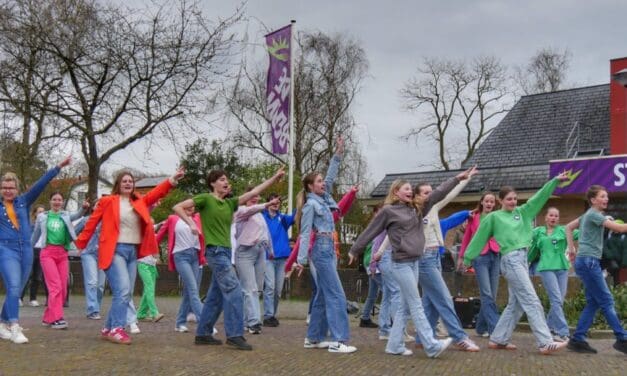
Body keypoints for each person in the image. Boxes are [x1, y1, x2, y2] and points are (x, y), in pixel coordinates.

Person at [349, 168, 473, 358]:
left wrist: (457, 178)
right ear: (396, 192)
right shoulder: (388, 211)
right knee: (416, 304)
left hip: (415, 262)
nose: (409, 191)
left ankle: (394, 345)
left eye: (410, 189)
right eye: (405, 189)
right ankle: (431, 345)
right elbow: (370, 231)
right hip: (400, 264)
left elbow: (439, 192)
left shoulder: (417, 208)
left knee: (406, 307)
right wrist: (354, 250)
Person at [173, 166, 285, 350]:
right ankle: (234, 334)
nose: (226, 182)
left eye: (227, 179)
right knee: (234, 289)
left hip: (225, 252)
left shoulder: (230, 203)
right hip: (215, 252)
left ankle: (203, 333)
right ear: (213, 183)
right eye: (222, 179)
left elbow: (255, 191)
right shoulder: (206, 199)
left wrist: (275, 177)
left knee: (215, 297)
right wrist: (192, 223)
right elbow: (177, 207)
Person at [463, 172, 570, 355]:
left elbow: (539, 197)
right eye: (509, 199)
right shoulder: (494, 217)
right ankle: (545, 342)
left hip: (523, 259)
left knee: (517, 303)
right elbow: (479, 238)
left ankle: (498, 338)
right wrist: (467, 257)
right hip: (511, 260)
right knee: (531, 299)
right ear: (501, 200)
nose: (513, 202)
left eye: (515, 198)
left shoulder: (523, 212)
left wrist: (554, 182)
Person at [75, 167, 184, 345]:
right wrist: (81, 244)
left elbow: (155, 193)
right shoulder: (108, 201)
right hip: (114, 250)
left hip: (133, 252)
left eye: (130, 181)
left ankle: (107, 327)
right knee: (124, 290)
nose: (128, 183)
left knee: (124, 292)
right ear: (118, 184)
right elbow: (92, 222)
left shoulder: (138, 201)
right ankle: (118, 328)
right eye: (124, 181)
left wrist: (172, 179)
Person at [292, 137, 358, 354]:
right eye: (319, 181)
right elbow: (303, 234)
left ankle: (313, 338)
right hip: (320, 249)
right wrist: (301, 261)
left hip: (329, 248)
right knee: (337, 294)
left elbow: (331, 174)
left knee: (321, 294)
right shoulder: (311, 205)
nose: (323, 183)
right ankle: (339, 340)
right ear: (311, 186)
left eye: (322, 181)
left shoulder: (324, 197)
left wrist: (338, 153)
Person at [0, 155, 71, 344]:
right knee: (14, 285)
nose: (8, 191)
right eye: (4, 187)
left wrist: (58, 167)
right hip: (6, 250)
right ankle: (14, 326)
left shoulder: (24, 201)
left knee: (17, 288)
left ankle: (2, 323)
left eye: (11, 187)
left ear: (16, 189)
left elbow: (41, 183)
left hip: (27, 251)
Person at [413, 172, 481, 352]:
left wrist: (467, 179)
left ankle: (421, 337)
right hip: (425, 259)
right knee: (443, 298)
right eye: (425, 193)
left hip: (436, 257)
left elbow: (449, 195)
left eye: (431, 191)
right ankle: (459, 337)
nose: (430, 194)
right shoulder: (415, 212)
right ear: (417, 196)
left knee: (430, 300)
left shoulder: (434, 208)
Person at [565, 185, 627, 354]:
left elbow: (568, 227)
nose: (606, 199)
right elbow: (621, 229)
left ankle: (577, 339)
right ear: (593, 200)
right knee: (607, 301)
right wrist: (571, 249)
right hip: (589, 262)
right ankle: (622, 339)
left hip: (586, 262)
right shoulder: (593, 215)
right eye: (602, 196)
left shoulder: (587, 215)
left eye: (607, 196)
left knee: (593, 302)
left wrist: (572, 249)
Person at [31, 192, 87, 329]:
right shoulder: (42, 217)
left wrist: (84, 208)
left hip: (62, 254)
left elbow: (78, 215)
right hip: (47, 253)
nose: (57, 202)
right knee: (55, 286)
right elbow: (35, 236)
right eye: (54, 199)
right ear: (50, 201)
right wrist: (27, 250)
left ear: (62, 202)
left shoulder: (65, 215)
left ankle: (48, 317)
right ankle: (57, 318)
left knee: (62, 287)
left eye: (59, 200)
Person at [233, 190, 280, 334]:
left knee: (257, 288)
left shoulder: (260, 216)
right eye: (251, 196)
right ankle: (254, 322)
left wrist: (271, 251)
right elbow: (253, 209)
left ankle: (245, 321)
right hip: (245, 252)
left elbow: (266, 233)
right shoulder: (241, 211)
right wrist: (267, 204)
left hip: (260, 252)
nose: (255, 198)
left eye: (256, 196)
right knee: (250, 288)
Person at [527, 207, 576, 342]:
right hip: (546, 268)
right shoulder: (538, 232)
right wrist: (524, 263)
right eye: (551, 215)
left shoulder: (564, 230)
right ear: (546, 217)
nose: (554, 218)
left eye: (556, 216)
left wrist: (598, 222)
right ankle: (562, 332)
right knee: (555, 299)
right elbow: (532, 250)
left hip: (562, 267)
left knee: (559, 300)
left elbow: (581, 232)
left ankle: (548, 328)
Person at [155, 204, 206, 333]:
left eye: (193, 206)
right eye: (187, 206)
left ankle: (180, 323)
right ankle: (205, 323)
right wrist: (147, 248)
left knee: (190, 291)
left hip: (195, 256)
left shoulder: (198, 218)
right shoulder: (173, 218)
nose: (191, 208)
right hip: (181, 256)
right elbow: (159, 235)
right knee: (193, 290)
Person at [458, 192, 501, 337]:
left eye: (492, 201)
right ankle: (495, 329)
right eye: (487, 201)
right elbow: (466, 239)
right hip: (479, 257)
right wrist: (462, 258)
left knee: (492, 294)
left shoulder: (497, 217)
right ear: (482, 202)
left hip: (495, 255)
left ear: (494, 204)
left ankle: (481, 328)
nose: (489, 204)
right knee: (487, 293)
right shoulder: (474, 218)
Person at [261, 194, 295, 327]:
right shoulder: (262, 218)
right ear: (268, 203)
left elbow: (295, 215)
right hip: (267, 258)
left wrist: (301, 200)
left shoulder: (283, 219)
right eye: (273, 200)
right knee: (270, 287)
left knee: (278, 290)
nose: (276, 203)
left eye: (278, 201)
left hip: (282, 259)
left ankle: (272, 315)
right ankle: (268, 315)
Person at [75, 214, 106, 320]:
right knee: (92, 281)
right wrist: (79, 245)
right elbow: (73, 232)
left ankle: (96, 307)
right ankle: (92, 310)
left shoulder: (109, 219)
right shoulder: (86, 220)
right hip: (88, 253)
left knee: (100, 285)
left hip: (103, 254)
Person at [21, 204, 47, 307]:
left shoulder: (46, 225)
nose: (41, 214)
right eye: (39, 212)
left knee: (37, 276)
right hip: (31, 250)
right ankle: (20, 297)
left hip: (41, 251)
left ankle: (33, 298)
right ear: (35, 213)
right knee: (27, 275)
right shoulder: (30, 225)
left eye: (43, 212)